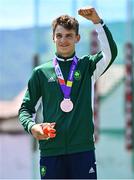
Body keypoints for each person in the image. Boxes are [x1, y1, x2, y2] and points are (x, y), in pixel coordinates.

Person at [19, 6, 117, 179]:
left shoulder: (87, 67)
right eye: (59, 35)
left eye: (69, 35)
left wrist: (97, 22)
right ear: (53, 38)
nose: (63, 40)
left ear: (77, 38)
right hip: (51, 150)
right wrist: (33, 127)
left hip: (82, 149)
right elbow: (26, 109)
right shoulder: (41, 72)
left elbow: (110, 53)